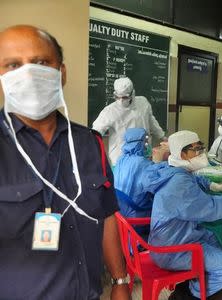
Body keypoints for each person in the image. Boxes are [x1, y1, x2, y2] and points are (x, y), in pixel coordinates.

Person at [0, 25, 130, 299]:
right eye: (13, 65)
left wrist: (120, 281)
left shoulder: (89, 143)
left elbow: (106, 217)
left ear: (62, 73)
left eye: (41, 62)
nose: (29, 74)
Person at [144, 130, 222, 299]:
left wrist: (214, 186)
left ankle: (196, 278)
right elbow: (210, 209)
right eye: (197, 149)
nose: (202, 153)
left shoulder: (172, 169)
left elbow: (192, 179)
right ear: (182, 154)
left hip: (171, 238)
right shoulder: (179, 184)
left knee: (216, 239)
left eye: (202, 147)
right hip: (173, 250)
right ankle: (190, 294)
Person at [92, 76, 165, 165]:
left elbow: (151, 121)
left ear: (132, 94)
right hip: (120, 157)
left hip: (144, 155)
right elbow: (96, 131)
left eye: (125, 97)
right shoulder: (110, 111)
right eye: (117, 97)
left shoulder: (143, 103)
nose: (121, 100)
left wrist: (162, 137)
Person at [114, 127, 167, 219]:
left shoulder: (120, 160)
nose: (147, 145)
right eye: (146, 141)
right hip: (137, 215)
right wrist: (161, 162)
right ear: (140, 143)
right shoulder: (144, 164)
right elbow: (158, 185)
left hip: (119, 215)